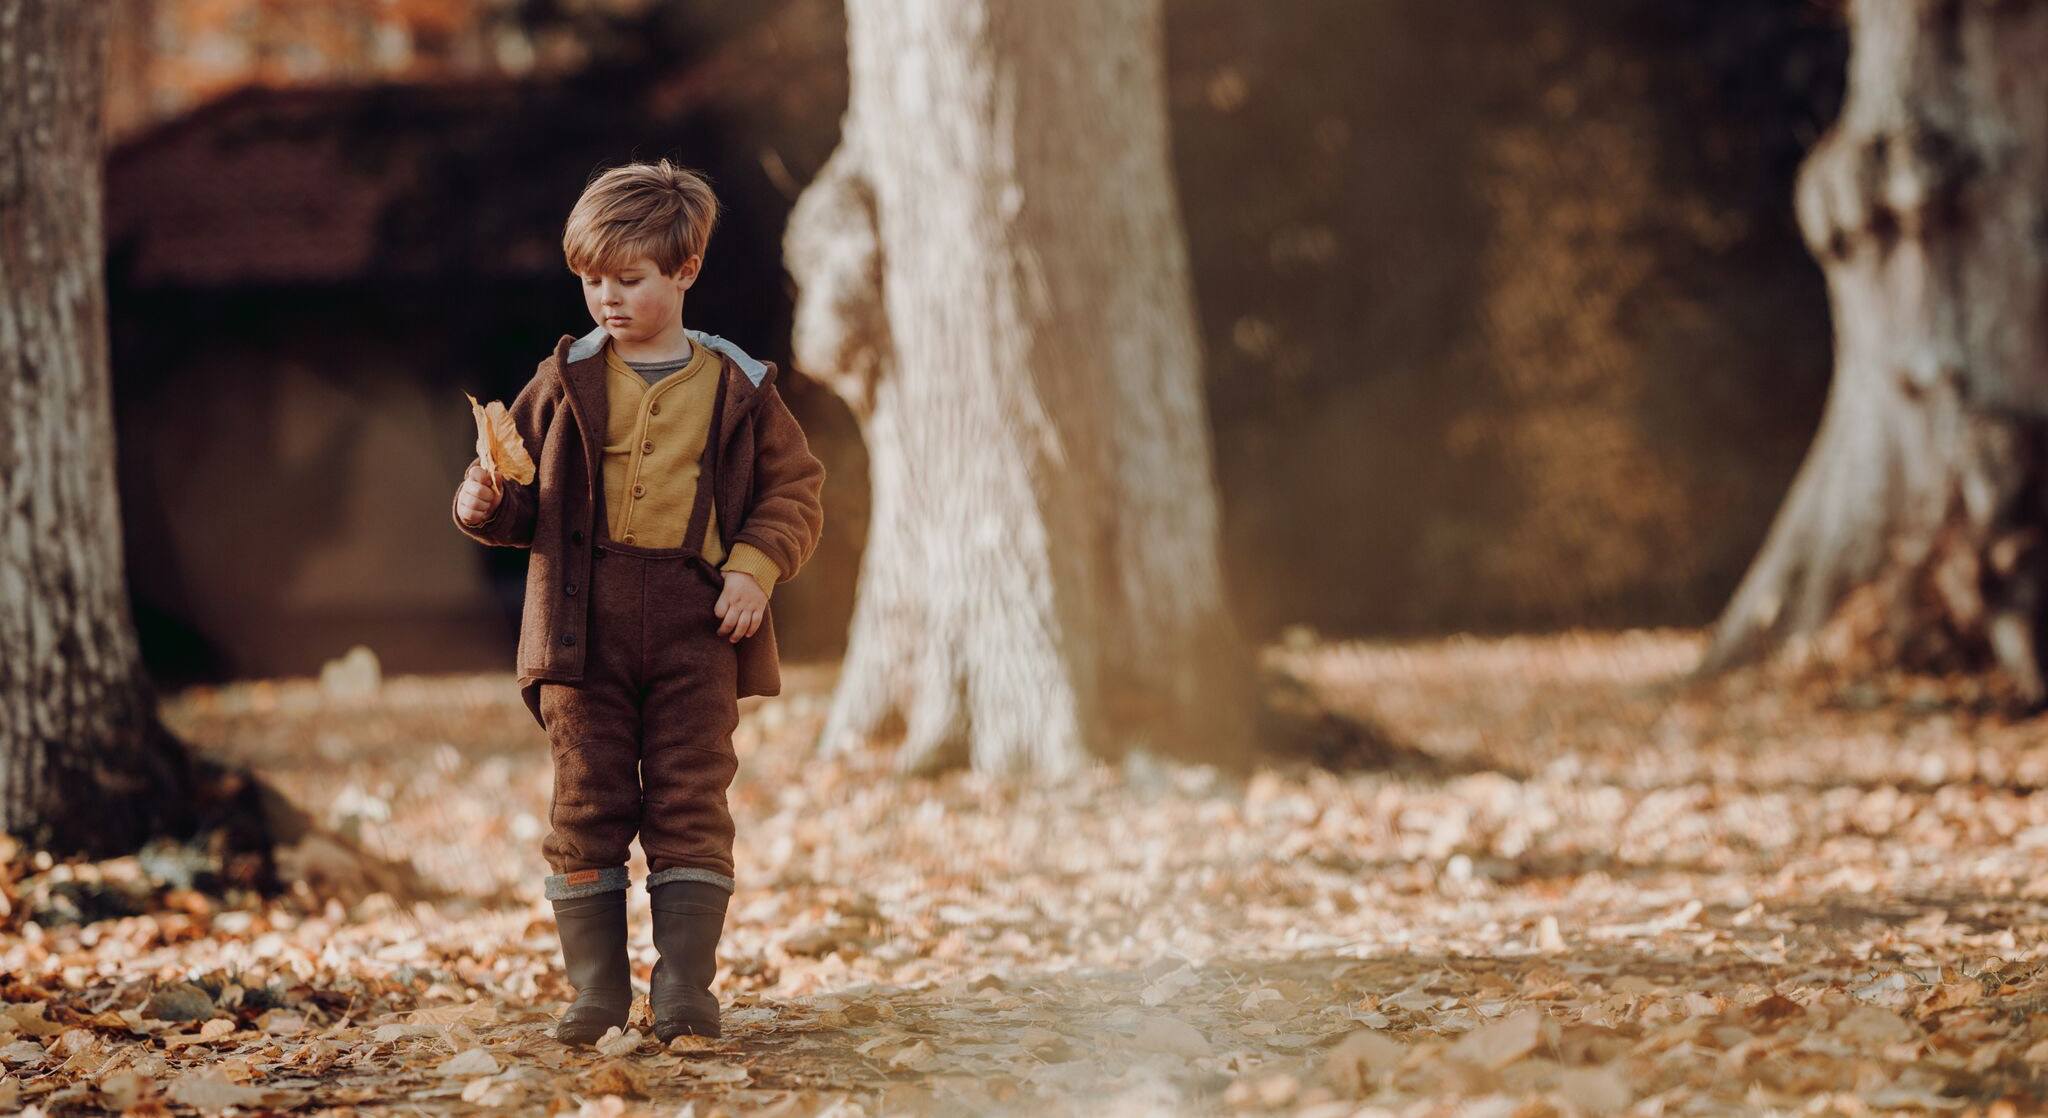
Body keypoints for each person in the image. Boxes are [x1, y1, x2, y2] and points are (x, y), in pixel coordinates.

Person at [452, 159, 825, 1046]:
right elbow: (522, 502)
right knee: (586, 803)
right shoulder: (566, 377)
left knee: (692, 799)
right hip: (582, 630)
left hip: (700, 626)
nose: (606, 299)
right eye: (590, 280)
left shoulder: (739, 384)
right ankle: (597, 992)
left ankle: (686, 986)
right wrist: (486, 503)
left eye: (629, 280)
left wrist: (753, 569)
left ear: (685, 271)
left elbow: (796, 492)